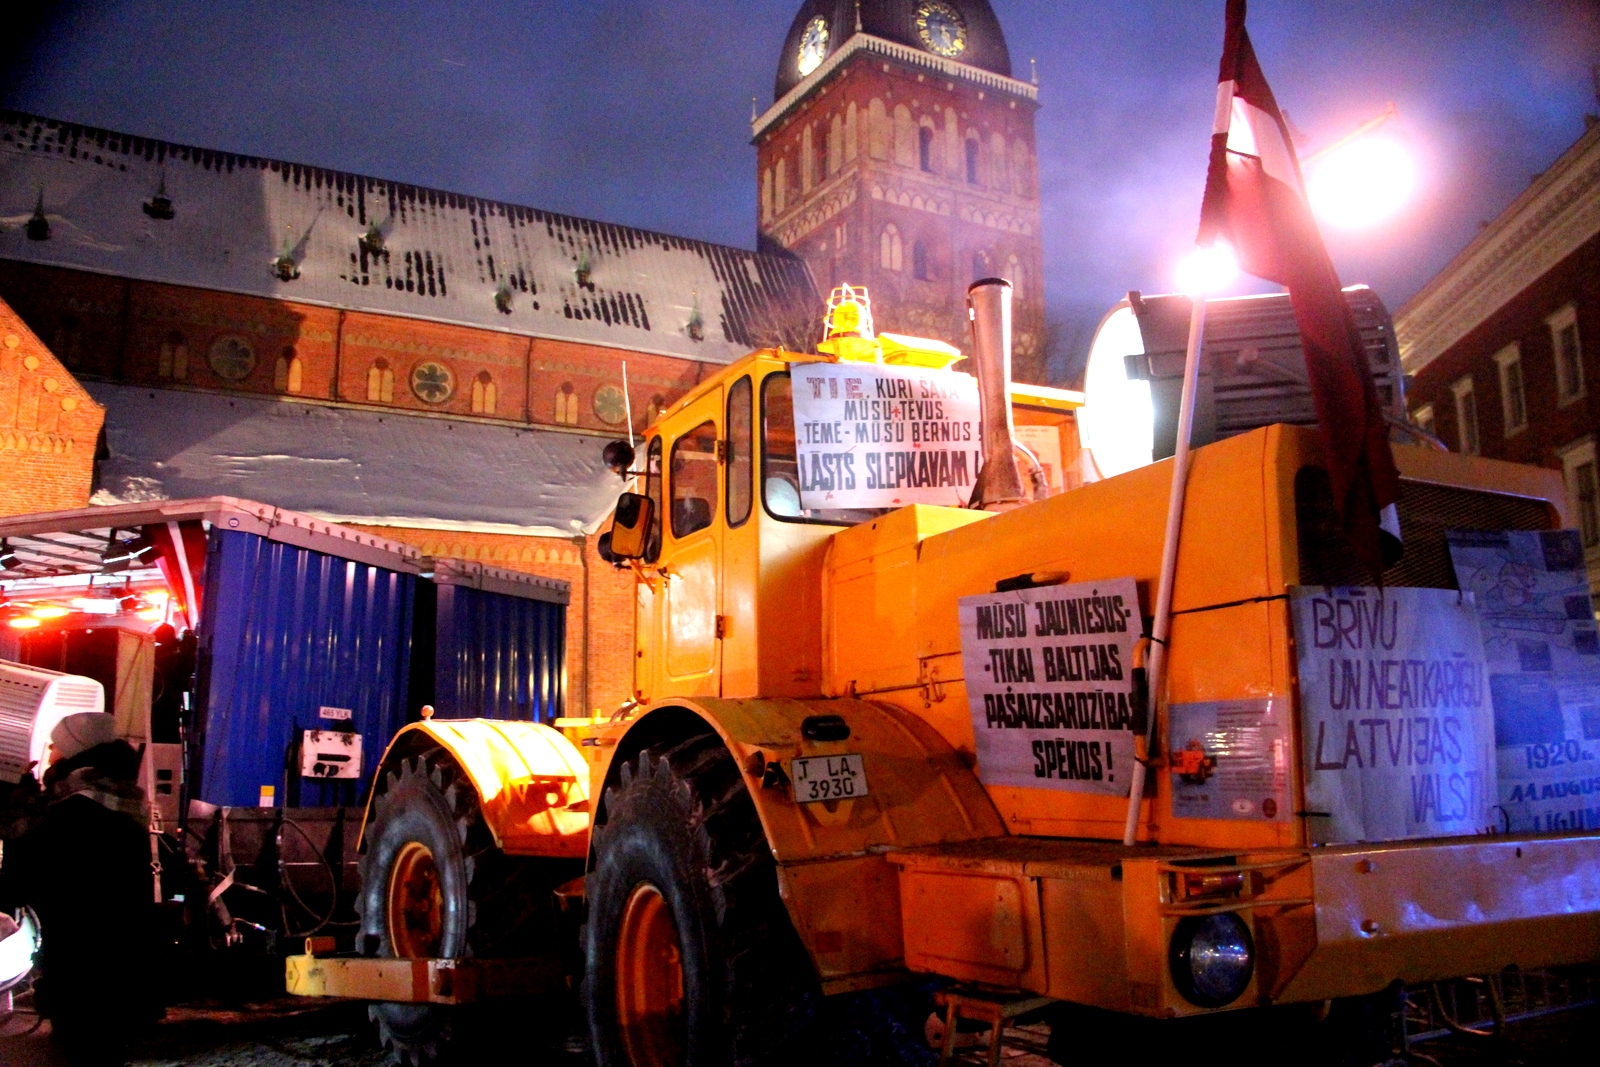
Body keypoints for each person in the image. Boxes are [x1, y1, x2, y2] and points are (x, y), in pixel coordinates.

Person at [0, 713, 160, 1066]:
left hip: (80, 966)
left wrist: (19, 800)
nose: (50, 751)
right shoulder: (120, 799)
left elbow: (26, 873)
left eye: (57, 745)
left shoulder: (74, 812)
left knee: (82, 1048)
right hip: (118, 963)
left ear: (75, 752)